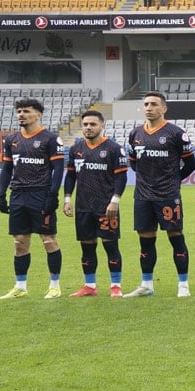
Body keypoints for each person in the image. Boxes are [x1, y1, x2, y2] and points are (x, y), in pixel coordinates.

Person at [124, 90, 194, 296]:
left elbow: (190, 163)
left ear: (163, 108)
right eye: (146, 104)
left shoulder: (175, 133)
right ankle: (147, 285)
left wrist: (173, 180)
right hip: (143, 196)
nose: (149, 108)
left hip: (167, 195)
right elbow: (133, 163)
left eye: (154, 104)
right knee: (145, 239)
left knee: (175, 236)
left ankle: (183, 285)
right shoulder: (135, 134)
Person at [0, 98, 66, 299]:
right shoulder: (11, 139)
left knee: (48, 240)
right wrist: (1, 195)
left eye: (26, 111)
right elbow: (7, 168)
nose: (21, 115)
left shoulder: (50, 139)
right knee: (19, 242)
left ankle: (54, 286)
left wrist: (52, 195)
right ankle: (20, 286)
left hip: (40, 194)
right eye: (19, 111)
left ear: (38, 114)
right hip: (18, 195)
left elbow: (58, 169)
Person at [63, 109, 128, 297]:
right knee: (87, 246)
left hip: (106, 207)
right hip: (83, 206)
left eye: (93, 124)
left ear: (102, 126)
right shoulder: (76, 149)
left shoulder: (114, 149)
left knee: (110, 245)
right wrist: (67, 198)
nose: (88, 128)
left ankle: (116, 286)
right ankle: (89, 286)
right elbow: (71, 176)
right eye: (85, 124)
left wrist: (115, 201)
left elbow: (121, 178)